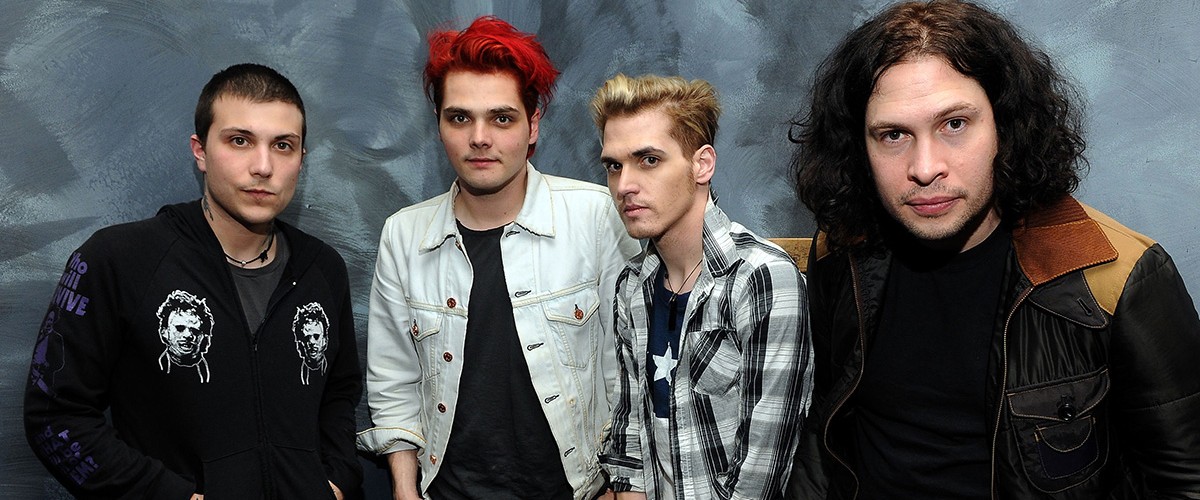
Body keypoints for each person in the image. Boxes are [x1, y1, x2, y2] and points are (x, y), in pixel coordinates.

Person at [786, 1, 1200, 497]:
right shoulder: (841, 251)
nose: (925, 167)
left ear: (1006, 125)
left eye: (954, 124)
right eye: (893, 134)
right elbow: (824, 428)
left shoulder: (1117, 278)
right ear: (860, 146)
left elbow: (1185, 480)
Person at [23, 63, 363, 499]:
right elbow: (54, 414)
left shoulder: (322, 268)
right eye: (239, 141)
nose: (263, 166)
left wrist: (333, 482)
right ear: (200, 151)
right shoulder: (119, 260)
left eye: (283, 145)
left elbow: (339, 393)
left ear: (301, 159)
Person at [356, 16, 640, 500]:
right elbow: (393, 382)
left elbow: (632, 371)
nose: (479, 138)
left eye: (502, 118)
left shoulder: (597, 217)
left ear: (533, 125)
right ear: (439, 124)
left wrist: (624, 485)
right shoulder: (404, 236)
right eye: (459, 118)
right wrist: (404, 490)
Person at [591, 73, 813, 499]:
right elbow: (630, 434)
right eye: (614, 165)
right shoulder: (632, 287)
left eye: (648, 160)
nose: (624, 185)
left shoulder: (762, 279)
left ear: (702, 164)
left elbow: (758, 479)